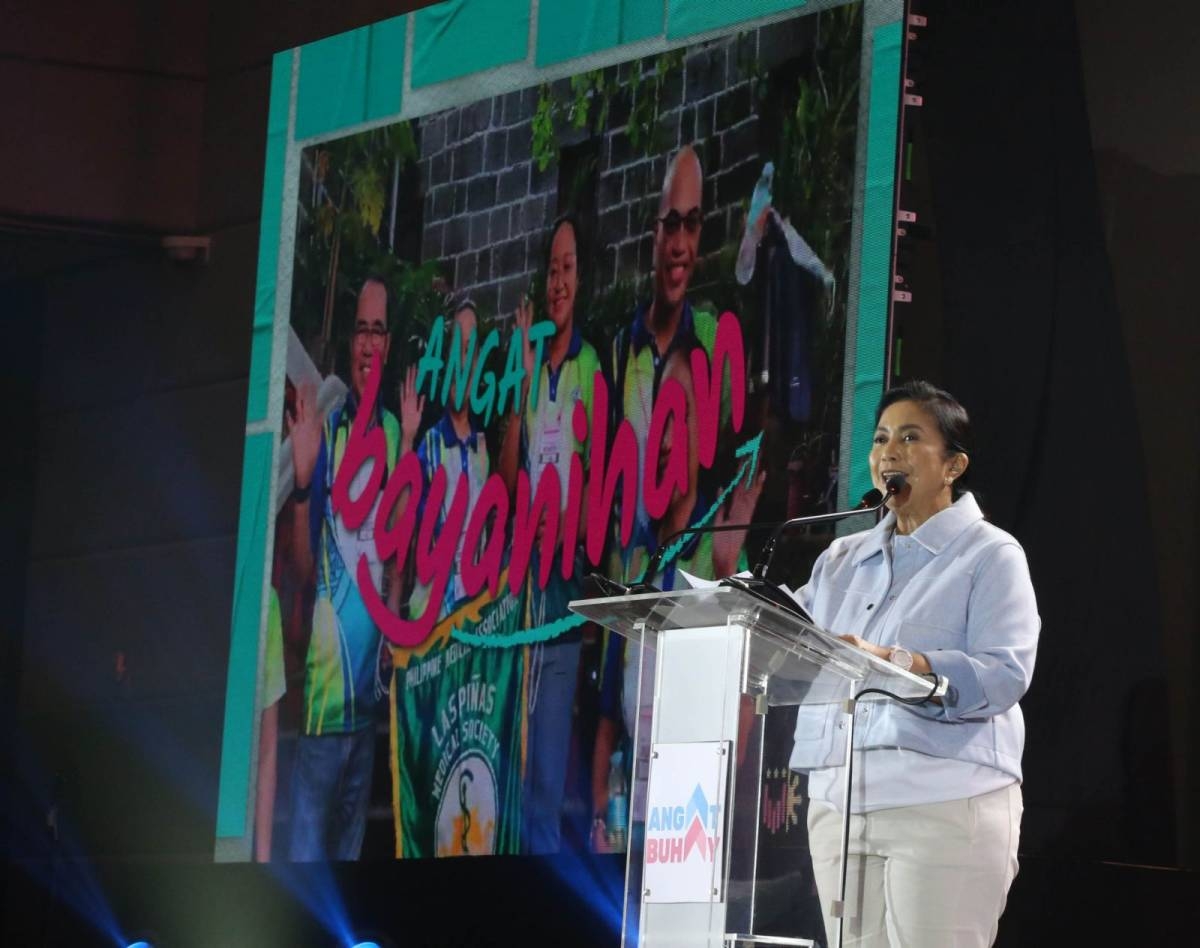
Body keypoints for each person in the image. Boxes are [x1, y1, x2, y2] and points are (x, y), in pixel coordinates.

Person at [790, 380, 1039, 948]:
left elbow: (1005, 673)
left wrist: (898, 661)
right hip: (840, 801)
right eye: (880, 439)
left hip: (945, 801)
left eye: (909, 437)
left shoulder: (991, 554)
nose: (888, 453)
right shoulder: (841, 558)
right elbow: (790, 636)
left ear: (953, 465)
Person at [499, 215, 603, 854]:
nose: (558, 281)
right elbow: (508, 481)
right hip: (520, 593)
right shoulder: (530, 369)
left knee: (545, 772)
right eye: (552, 269)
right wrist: (520, 378)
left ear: (580, 279)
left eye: (568, 268)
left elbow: (597, 481)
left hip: (563, 596)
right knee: (514, 765)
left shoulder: (592, 364)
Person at [286, 276, 400, 860]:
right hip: (322, 713)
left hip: (367, 715)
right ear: (351, 341)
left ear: (388, 344)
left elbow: (397, 552)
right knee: (304, 883)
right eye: (361, 329)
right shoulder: (328, 429)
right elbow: (305, 571)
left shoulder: (397, 434)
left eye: (379, 331)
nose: (368, 343)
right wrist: (304, 484)